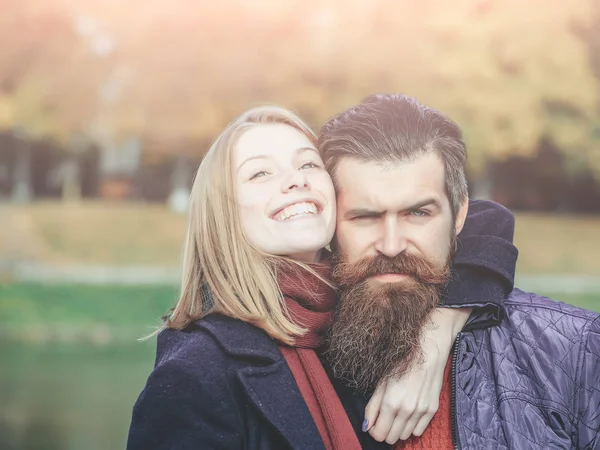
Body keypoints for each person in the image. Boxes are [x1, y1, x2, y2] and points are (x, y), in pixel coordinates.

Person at [126, 106, 517, 450]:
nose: (295, 180)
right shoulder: (197, 371)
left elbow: (485, 217)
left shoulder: (358, 311)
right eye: (260, 172)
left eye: (307, 164)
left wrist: (437, 332)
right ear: (222, 212)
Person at [318, 94, 600, 449]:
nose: (391, 245)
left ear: (460, 215)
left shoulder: (575, 352)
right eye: (365, 216)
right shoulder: (283, 346)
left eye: (418, 213)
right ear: (328, 222)